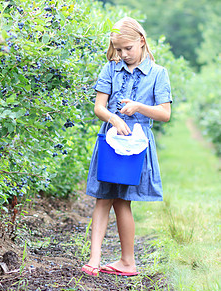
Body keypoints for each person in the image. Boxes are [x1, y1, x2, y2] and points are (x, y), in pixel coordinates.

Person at [81, 17, 172, 277]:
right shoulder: (111, 69)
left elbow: (165, 114)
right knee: (102, 197)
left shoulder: (158, 74)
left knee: (123, 201)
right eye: (118, 50)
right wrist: (113, 117)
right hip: (111, 141)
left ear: (141, 41)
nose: (123, 54)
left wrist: (139, 107)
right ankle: (95, 259)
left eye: (128, 49)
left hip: (137, 145)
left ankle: (128, 262)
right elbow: (99, 106)